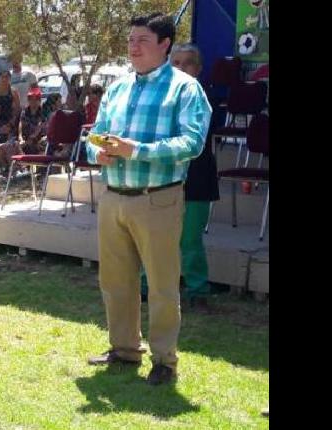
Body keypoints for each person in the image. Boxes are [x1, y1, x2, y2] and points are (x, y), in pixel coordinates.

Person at [85, 13, 212, 386]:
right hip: (113, 196)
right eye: (130, 41)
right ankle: (124, 349)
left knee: (161, 285)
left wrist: (134, 150)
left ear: (165, 44)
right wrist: (99, 153)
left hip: (158, 199)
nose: (133, 47)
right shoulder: (118, 88)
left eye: (142, 40)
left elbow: (192, 143)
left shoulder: (185, 89)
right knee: (116, 281)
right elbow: (95, 135)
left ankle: (164, 360)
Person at [140, 43, 220, 309]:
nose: (182, 68)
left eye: (188, 63)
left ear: (198, 69)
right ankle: (144, 286)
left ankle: (197, 291)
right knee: (154, 237)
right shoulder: (158, 98)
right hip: (162, 177)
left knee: (190, 240)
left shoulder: (202, 99)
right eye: (176, 62)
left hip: (196, 180)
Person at [17, 88, 47, 155]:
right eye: (31, 99)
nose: (33, 101)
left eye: (36, 99)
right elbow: (21, 124)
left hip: (38, 139)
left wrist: (31, 139)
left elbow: (39, 126)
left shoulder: (42, 112)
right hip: (26, 138)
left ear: (39, 100)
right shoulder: (24, 112)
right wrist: (20, 137)